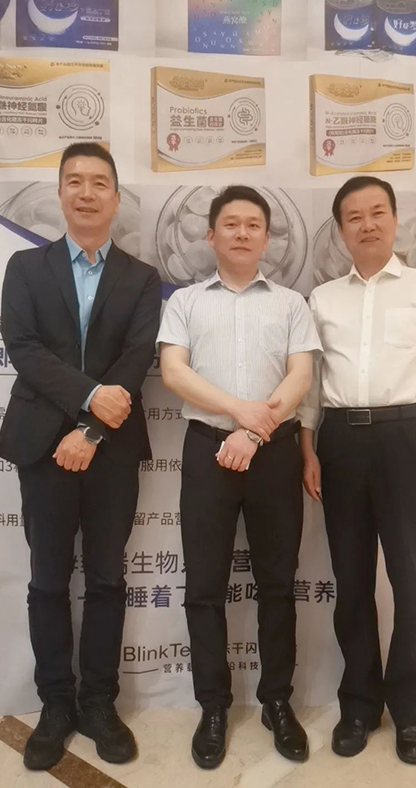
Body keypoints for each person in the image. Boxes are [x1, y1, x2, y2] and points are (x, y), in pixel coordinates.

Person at [0, 142, 161, 771]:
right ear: (60, 193)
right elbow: (24, 347)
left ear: (116, 198)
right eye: (74, 181)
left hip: (111, 449)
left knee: (108, 577)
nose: (86, 193)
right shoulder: (25, 267)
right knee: (47, 579)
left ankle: (98, 704)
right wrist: (91, 398)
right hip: (42, 444)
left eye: (98, 183)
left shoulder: (141, 278)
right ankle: (55, 704)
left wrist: (89, 430)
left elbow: (137, 357)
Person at [298, 176, 416, 765]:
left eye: (378, 212)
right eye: (354, 216)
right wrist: (308, 449)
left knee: (413, 584)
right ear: (340, 230)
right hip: (340, 442)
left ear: (395, 220)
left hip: (408, 440)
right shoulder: (323, 299)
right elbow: (312, 387)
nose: (367, 224)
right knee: (350, 581)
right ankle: (358, 704)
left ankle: (412, 712)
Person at [158, 185, 321, 769]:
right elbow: (173, 372)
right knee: (204, 586)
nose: (243, 232)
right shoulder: (185, 302)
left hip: (273, 453)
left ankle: (277, 701)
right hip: (208, 450)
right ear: (211, 235)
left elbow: (300, 376)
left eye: (254, 224)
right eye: (231, 223)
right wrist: (238, 412)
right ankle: (213, 706)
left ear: (267, 237)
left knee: (278, 582)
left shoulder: (291, 304)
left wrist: (254, 431)